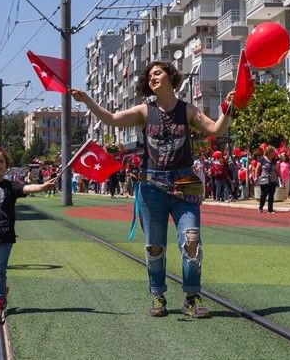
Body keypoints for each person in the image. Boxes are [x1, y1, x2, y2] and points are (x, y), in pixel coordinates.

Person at [70, 60, 235, 319]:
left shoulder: (188, 110)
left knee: (191, 241)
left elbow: (216, 128)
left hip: (185, 183)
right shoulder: (144, 111)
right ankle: (158, 295)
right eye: (149, 77)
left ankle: (191, 298)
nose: (152, 78)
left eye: (157, 73)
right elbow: (112, 119)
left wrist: (228, 107)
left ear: (170, 76)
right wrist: (87, 100)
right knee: (154, 247)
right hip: (151, 185)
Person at [0, 146, 55, 318]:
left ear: (6, 165)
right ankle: (2, 289)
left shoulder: (10, 186)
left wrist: (42, 187)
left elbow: (26, 188)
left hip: (5, 238)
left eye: (1, 161)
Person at [255, 145, 280, 214]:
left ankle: (270, 209)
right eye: (272, 152)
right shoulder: (262, 159)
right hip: (264, 179)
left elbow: (277, 169)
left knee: (271, 195)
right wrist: (256, 177)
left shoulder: (274, 160)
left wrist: (280, 177)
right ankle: (261, 207)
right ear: (269, 152)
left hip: (273, 179)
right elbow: (257, 168)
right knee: (263, 194)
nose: (274, 153)